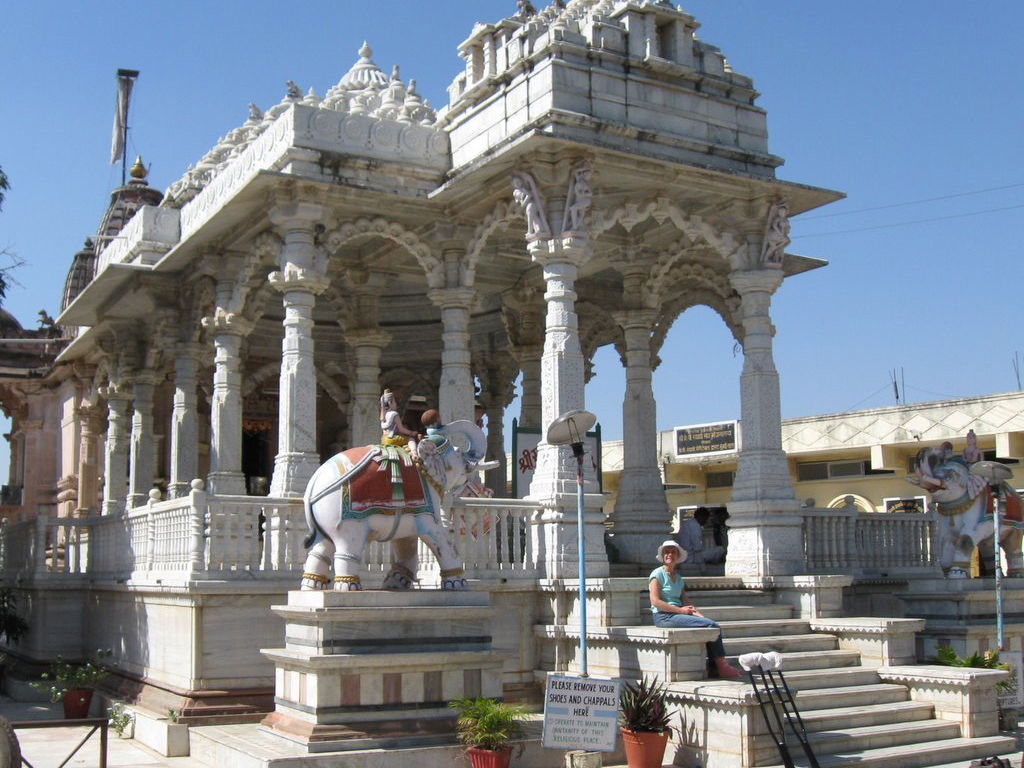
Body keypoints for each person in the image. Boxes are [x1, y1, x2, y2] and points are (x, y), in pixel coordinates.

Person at [649, 540, 741, 679]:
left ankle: (714, 668)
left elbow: (685, 600)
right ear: (662, 555)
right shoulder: (657, 574)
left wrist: (699, 615)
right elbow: (655, 601)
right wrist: (681, 611)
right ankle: (722, 667)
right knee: (712, 625)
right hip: (663, 616)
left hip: (677, 614)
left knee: (711, 625)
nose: (670, 555)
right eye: (667, 552)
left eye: (673, 552)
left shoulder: (678, 578)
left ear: (678, 556)